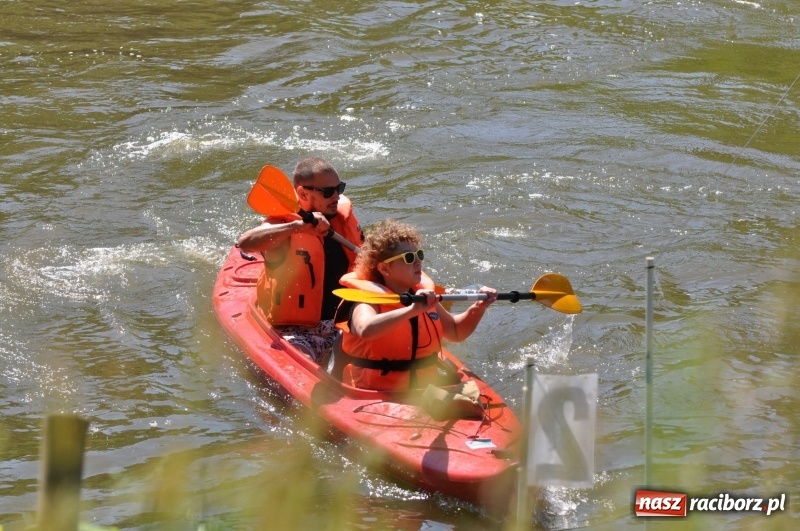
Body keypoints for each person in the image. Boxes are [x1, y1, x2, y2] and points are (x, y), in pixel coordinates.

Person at [334, 220, 497, 392]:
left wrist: (478, 308)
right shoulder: (365, 299)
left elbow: (456, 332)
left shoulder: (421, 296)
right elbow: (365, 329)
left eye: (419, 255)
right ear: (384, 268)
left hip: (424, 390)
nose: (418, 261)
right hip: (375, 393)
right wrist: (412, 310)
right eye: (409, 257)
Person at [237, 157, 363, 367]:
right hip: (296, 333)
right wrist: (297, 228)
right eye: (328, 191)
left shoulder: (342, 219)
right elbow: (245, 243)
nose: (336, 196)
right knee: (301, 364)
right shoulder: (283, 227)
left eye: (339, 188)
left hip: (341, 326)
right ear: (303, 193)